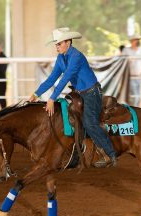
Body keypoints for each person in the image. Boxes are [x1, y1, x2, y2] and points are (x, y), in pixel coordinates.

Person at [29, 27, 117, 167]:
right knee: (69, 118)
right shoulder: (61, 58)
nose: (56, 46)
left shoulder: (76, 56)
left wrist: (51, 98)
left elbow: (65, 79)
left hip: (91, 92)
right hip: (79, 93)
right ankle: (77, 153)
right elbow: (52, 78)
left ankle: (110, 153)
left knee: (89, 123)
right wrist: (36, 93)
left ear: (68, 42)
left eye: (58, 43)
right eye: (56, 44)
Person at [122, 34, 141, 107]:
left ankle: (136, 115)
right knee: (134, 98)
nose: (138, 41)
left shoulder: (140, 50)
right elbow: (121, 63)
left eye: (138, 40)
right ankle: (132, 115)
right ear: (132, 41)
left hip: (139, 78)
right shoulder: (126, 50)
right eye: (136, 40)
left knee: (139, 99)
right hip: (131, 78)